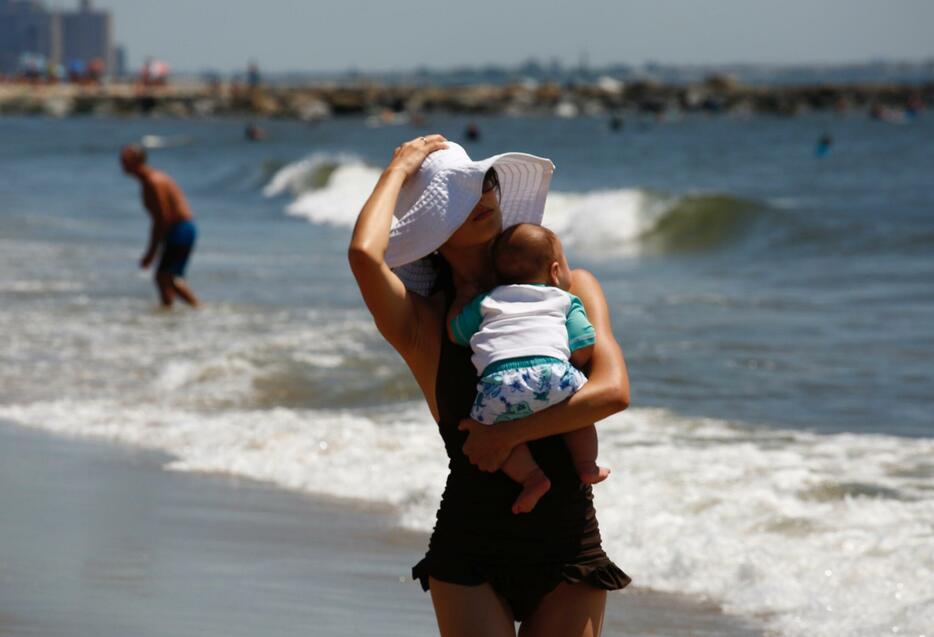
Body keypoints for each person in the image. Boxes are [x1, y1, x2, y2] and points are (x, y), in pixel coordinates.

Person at [349, 136, 630, 636]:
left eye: (482, 184)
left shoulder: (569, 287)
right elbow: (365, 257)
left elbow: (612, 393)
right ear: (430, 233)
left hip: (570, 540)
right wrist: (397, 170)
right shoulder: (425, 323)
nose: (480, 197)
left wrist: (504, 437)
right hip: (470, 544)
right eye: (455, 197)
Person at [449, 223, 610, 515]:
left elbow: (456, 333)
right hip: (554, 375)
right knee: (579, 414)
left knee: (491, 431)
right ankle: (587, 465)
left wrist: (462, 299)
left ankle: (532, 479)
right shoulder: (564, 299)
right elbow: (584, 345)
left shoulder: (487, 300)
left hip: (500, 385)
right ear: (555, 271)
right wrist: (570, 362)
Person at [120, 144, 199, 308]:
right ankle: (171, 314)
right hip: (181, 228)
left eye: (125, 158)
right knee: (165, 278)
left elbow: (162, 219)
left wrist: (151, 252)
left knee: (165, 277)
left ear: (136, 160)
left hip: (180, 229)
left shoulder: (152, 182)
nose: (121, 162)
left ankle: (196, 308)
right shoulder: (151, 179)